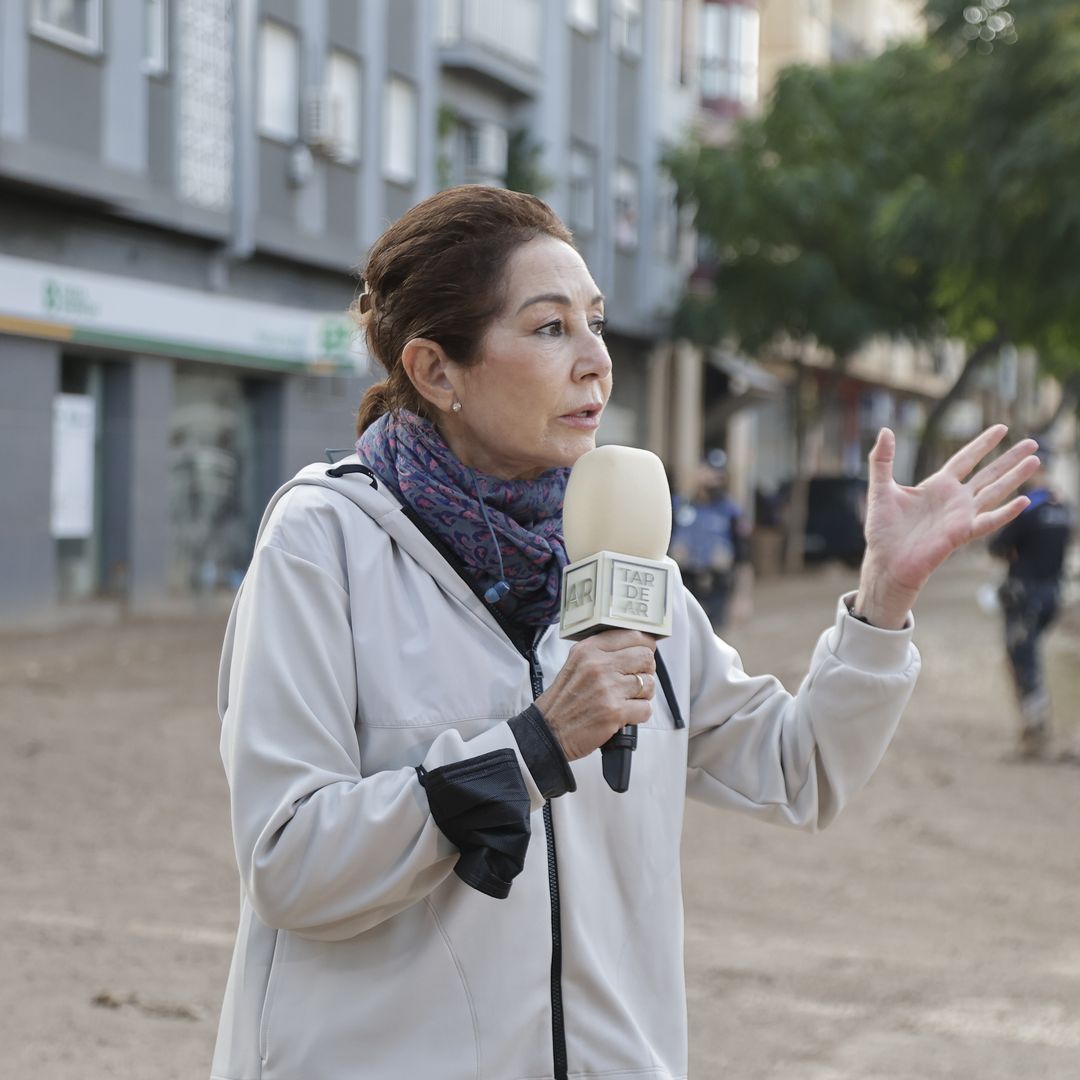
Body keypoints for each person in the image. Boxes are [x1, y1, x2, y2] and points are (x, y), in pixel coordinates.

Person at [210, 186, 1039, 1080]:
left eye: (596, 323)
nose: (597, 362)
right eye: (550, 328)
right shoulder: (322, 543)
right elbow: (289, 864)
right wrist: (529, 748)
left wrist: (882, 599)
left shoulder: (626, 556)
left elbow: (799, 772)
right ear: (436, 370)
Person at [988, 450, 1074, 758]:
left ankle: (1035, 733)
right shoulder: (1063, 506)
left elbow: (996, 545)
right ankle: (1037, 728)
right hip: (1052, 594)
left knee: (1023, 661)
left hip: (1025, 595)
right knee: (1032, 657)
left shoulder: (1028, 508)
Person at [669, 448, 751, 628]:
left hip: (717, 585)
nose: (714, 477)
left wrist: (742, 598)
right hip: (684, 584)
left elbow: (743, 557)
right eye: (709, 470)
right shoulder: (680, 506)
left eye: (719, 473)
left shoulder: (731, 511)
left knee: (713, 638)